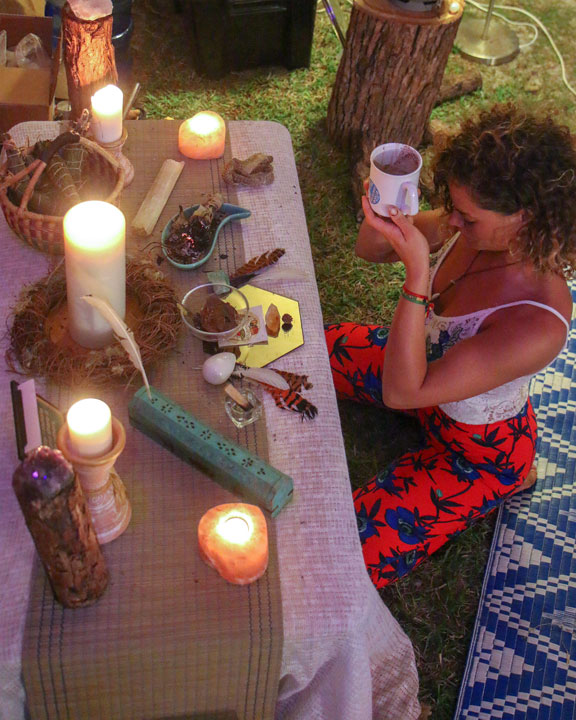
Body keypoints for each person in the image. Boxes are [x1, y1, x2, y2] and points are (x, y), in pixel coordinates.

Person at [325, 104, 576, 590]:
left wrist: (418, 277)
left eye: (467, 217)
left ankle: (510, 477)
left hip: (475, 450)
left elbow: (402, 390)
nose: (452, 223)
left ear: (524, 218)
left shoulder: (540, 322)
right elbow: (370, 250)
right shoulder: (475, 225)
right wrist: (383, 211)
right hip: (425, 374)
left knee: (343, 552)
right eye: (453, 209)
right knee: (303, 346)